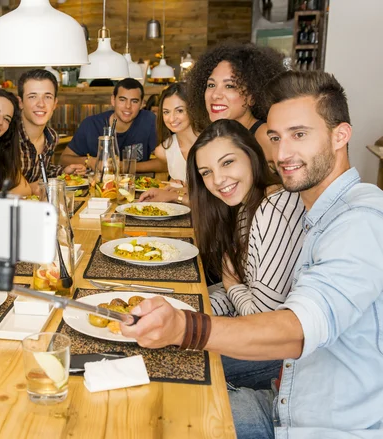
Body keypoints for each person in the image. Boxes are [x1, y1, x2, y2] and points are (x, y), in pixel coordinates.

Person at [121, 71, 383, 437]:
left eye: (300, 134)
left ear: (340, 135)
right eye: (276, 138)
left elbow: (296, 330)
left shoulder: (361, 218)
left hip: (318, 428)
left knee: (157, 413)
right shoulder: (311, 210)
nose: (283, 152)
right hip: (283, 402)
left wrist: (185, 324)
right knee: (151, 397)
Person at [189, 119, 305, 390]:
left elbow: (260, 317)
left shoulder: (275, 207)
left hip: (279, 357)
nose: (217, 180)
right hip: (261, 342)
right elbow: (245, 294)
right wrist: (187, 309)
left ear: (252, 156)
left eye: (227, 162)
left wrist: (232, 287)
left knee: (172, 361)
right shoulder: (248, 206)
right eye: (206, 172)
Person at [186, 42, 286, 165]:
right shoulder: (222, 135)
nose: (215, 95)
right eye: (211, 85)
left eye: (229, 86)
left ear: (252, 97)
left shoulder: (265, 136)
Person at [60, 78, 167, 174]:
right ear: (113, 100)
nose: (128, 106)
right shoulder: (91, 124)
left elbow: (166, 164)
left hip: (135, 189)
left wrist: (124, 166)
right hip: (98, 189)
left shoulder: (149, 120)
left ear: (142, 104)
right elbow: (64, 159)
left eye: (134, 101)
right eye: (122, 100)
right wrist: (90, 161)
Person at [16, 69, 85, 191]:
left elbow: (42, 171)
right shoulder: (8, 136)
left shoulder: (51, 137)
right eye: (32, 96)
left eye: (47, 97)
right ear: (20, 102)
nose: (41, 104)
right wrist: (34, 188)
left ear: (55, 104)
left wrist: (64, 171)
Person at [139, 82, 197, 204]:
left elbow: (216, 199)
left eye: (179, 110)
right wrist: (176, 187)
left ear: (192, 109)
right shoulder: (164, 150)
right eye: (166, 112)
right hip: (180, 216)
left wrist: (176, 194)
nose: (171, 119)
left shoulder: (211, 144)